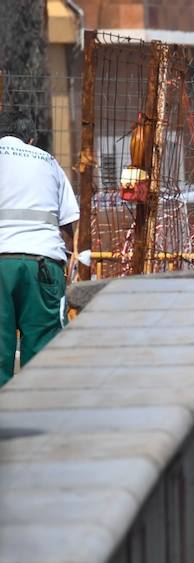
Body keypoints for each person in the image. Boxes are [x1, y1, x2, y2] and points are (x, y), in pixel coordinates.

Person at [0, 109, 79, 386]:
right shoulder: (48, 162)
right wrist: (67, 262)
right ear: (31, 139)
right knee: (44, 354)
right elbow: (68, 224)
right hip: (42, 262)